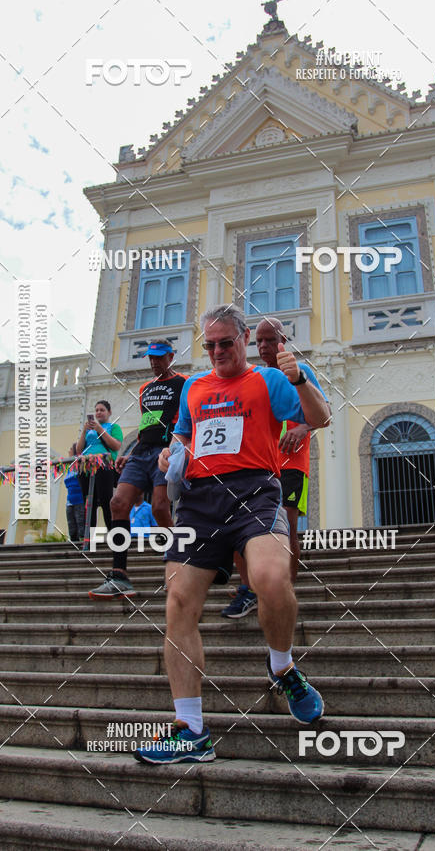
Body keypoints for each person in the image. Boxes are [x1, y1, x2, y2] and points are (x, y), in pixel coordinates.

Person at [133, 304, 331, 765]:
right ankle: (192, 732)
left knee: (270, 577)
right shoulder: (195, 388)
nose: (218, 351)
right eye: (211, 345)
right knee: (178, 602)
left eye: (226, 342)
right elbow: (184, 435)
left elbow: (319, 418)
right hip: (201, 501)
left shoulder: (271, 380)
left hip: (256, 491)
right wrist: (170, 455)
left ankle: (282, 667)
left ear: (243, 339)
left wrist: (300, 379)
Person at [221, 317, 328, 618]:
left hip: (292, 462)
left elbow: (325, 412)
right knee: (239, 524)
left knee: (287, 526)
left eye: (271, 340)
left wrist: (302, 428)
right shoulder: (255, 377)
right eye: (259, 341)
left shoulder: (300, 372)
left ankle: (286, 590)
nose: (264, 346)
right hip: (259, 464)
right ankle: (248, 589)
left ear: (283, 339)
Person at [89, 342, 186, 599]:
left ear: (170, 357)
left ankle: (177, 566)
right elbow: (147, 426)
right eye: (150, 358)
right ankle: (119, 574)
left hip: (165, 451)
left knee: (159, 508)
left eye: (159, 357)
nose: (154, 362)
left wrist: (176, 449)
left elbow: (185, 420)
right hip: (141, 452)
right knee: (118, 503)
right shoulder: (145, 389)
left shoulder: (183, 383)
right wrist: (131, 453)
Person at [76, 400, 123, 534]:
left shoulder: (113, 427)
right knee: (88, 502)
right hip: (86, 466)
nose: (98, 412)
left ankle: (112, 533)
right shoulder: (89, 430)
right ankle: (88, 536)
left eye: (102, 410)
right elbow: (79, 450)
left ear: (109, 412)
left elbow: (116, 446)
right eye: (96, 410)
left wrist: (100, 430)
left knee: (106, 500)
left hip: (104, 466)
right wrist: (84, 432)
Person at [64, 443, 85, 542]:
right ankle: (74, 542)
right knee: (71, 525)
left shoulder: (80, 464)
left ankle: (83, 542)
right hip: (70, 500)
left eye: (70, 449)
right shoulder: (69, 467)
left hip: (79, 499)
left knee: (80, 523)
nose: (68, 451)